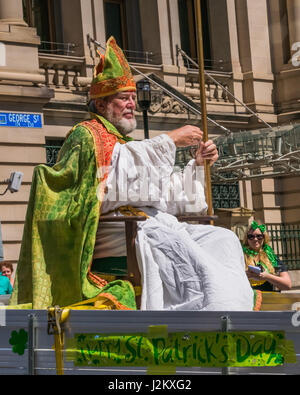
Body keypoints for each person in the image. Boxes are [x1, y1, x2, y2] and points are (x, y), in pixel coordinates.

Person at [10, 36, 255, 311]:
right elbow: (111, 182)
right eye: (123, 98)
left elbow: (160, 194)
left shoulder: (121, 143)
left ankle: (234, 313)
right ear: (101, 105)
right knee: (186, 254)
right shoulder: (87, 135)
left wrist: (196, 164)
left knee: (223, 239)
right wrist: (170, 139)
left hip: (151, 225)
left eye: (133, 98)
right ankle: (205, 322)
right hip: (117, 235)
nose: (132, 104)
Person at [243, 220, 292, 292]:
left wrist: (267, 276)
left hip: (269, 301)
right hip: (246, 301)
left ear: (264, 237)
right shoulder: (240, 256)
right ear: (247, 239)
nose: (255, 239)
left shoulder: (271, 257)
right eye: (251, 236)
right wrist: (244, 275)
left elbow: (287, 285)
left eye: (259, 236)